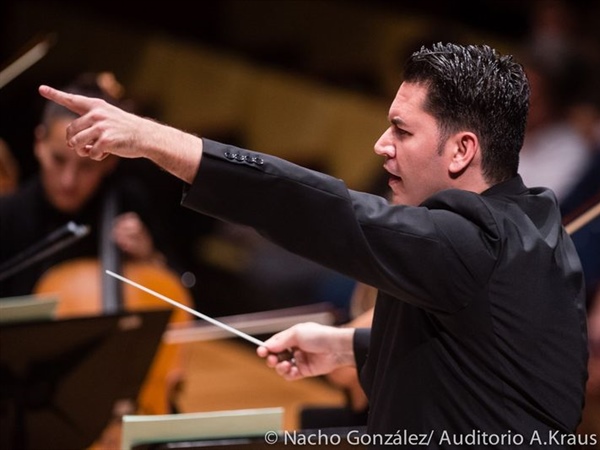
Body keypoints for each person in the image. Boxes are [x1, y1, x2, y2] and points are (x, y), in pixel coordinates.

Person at [38, 42, 589, 448]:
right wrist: (346, 346)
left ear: (461, 150)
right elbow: (473, 365)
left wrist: (154, 139)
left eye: (401, 130)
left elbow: (318, 209)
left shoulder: (473, 239)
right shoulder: (532, 218)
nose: (382, 145)